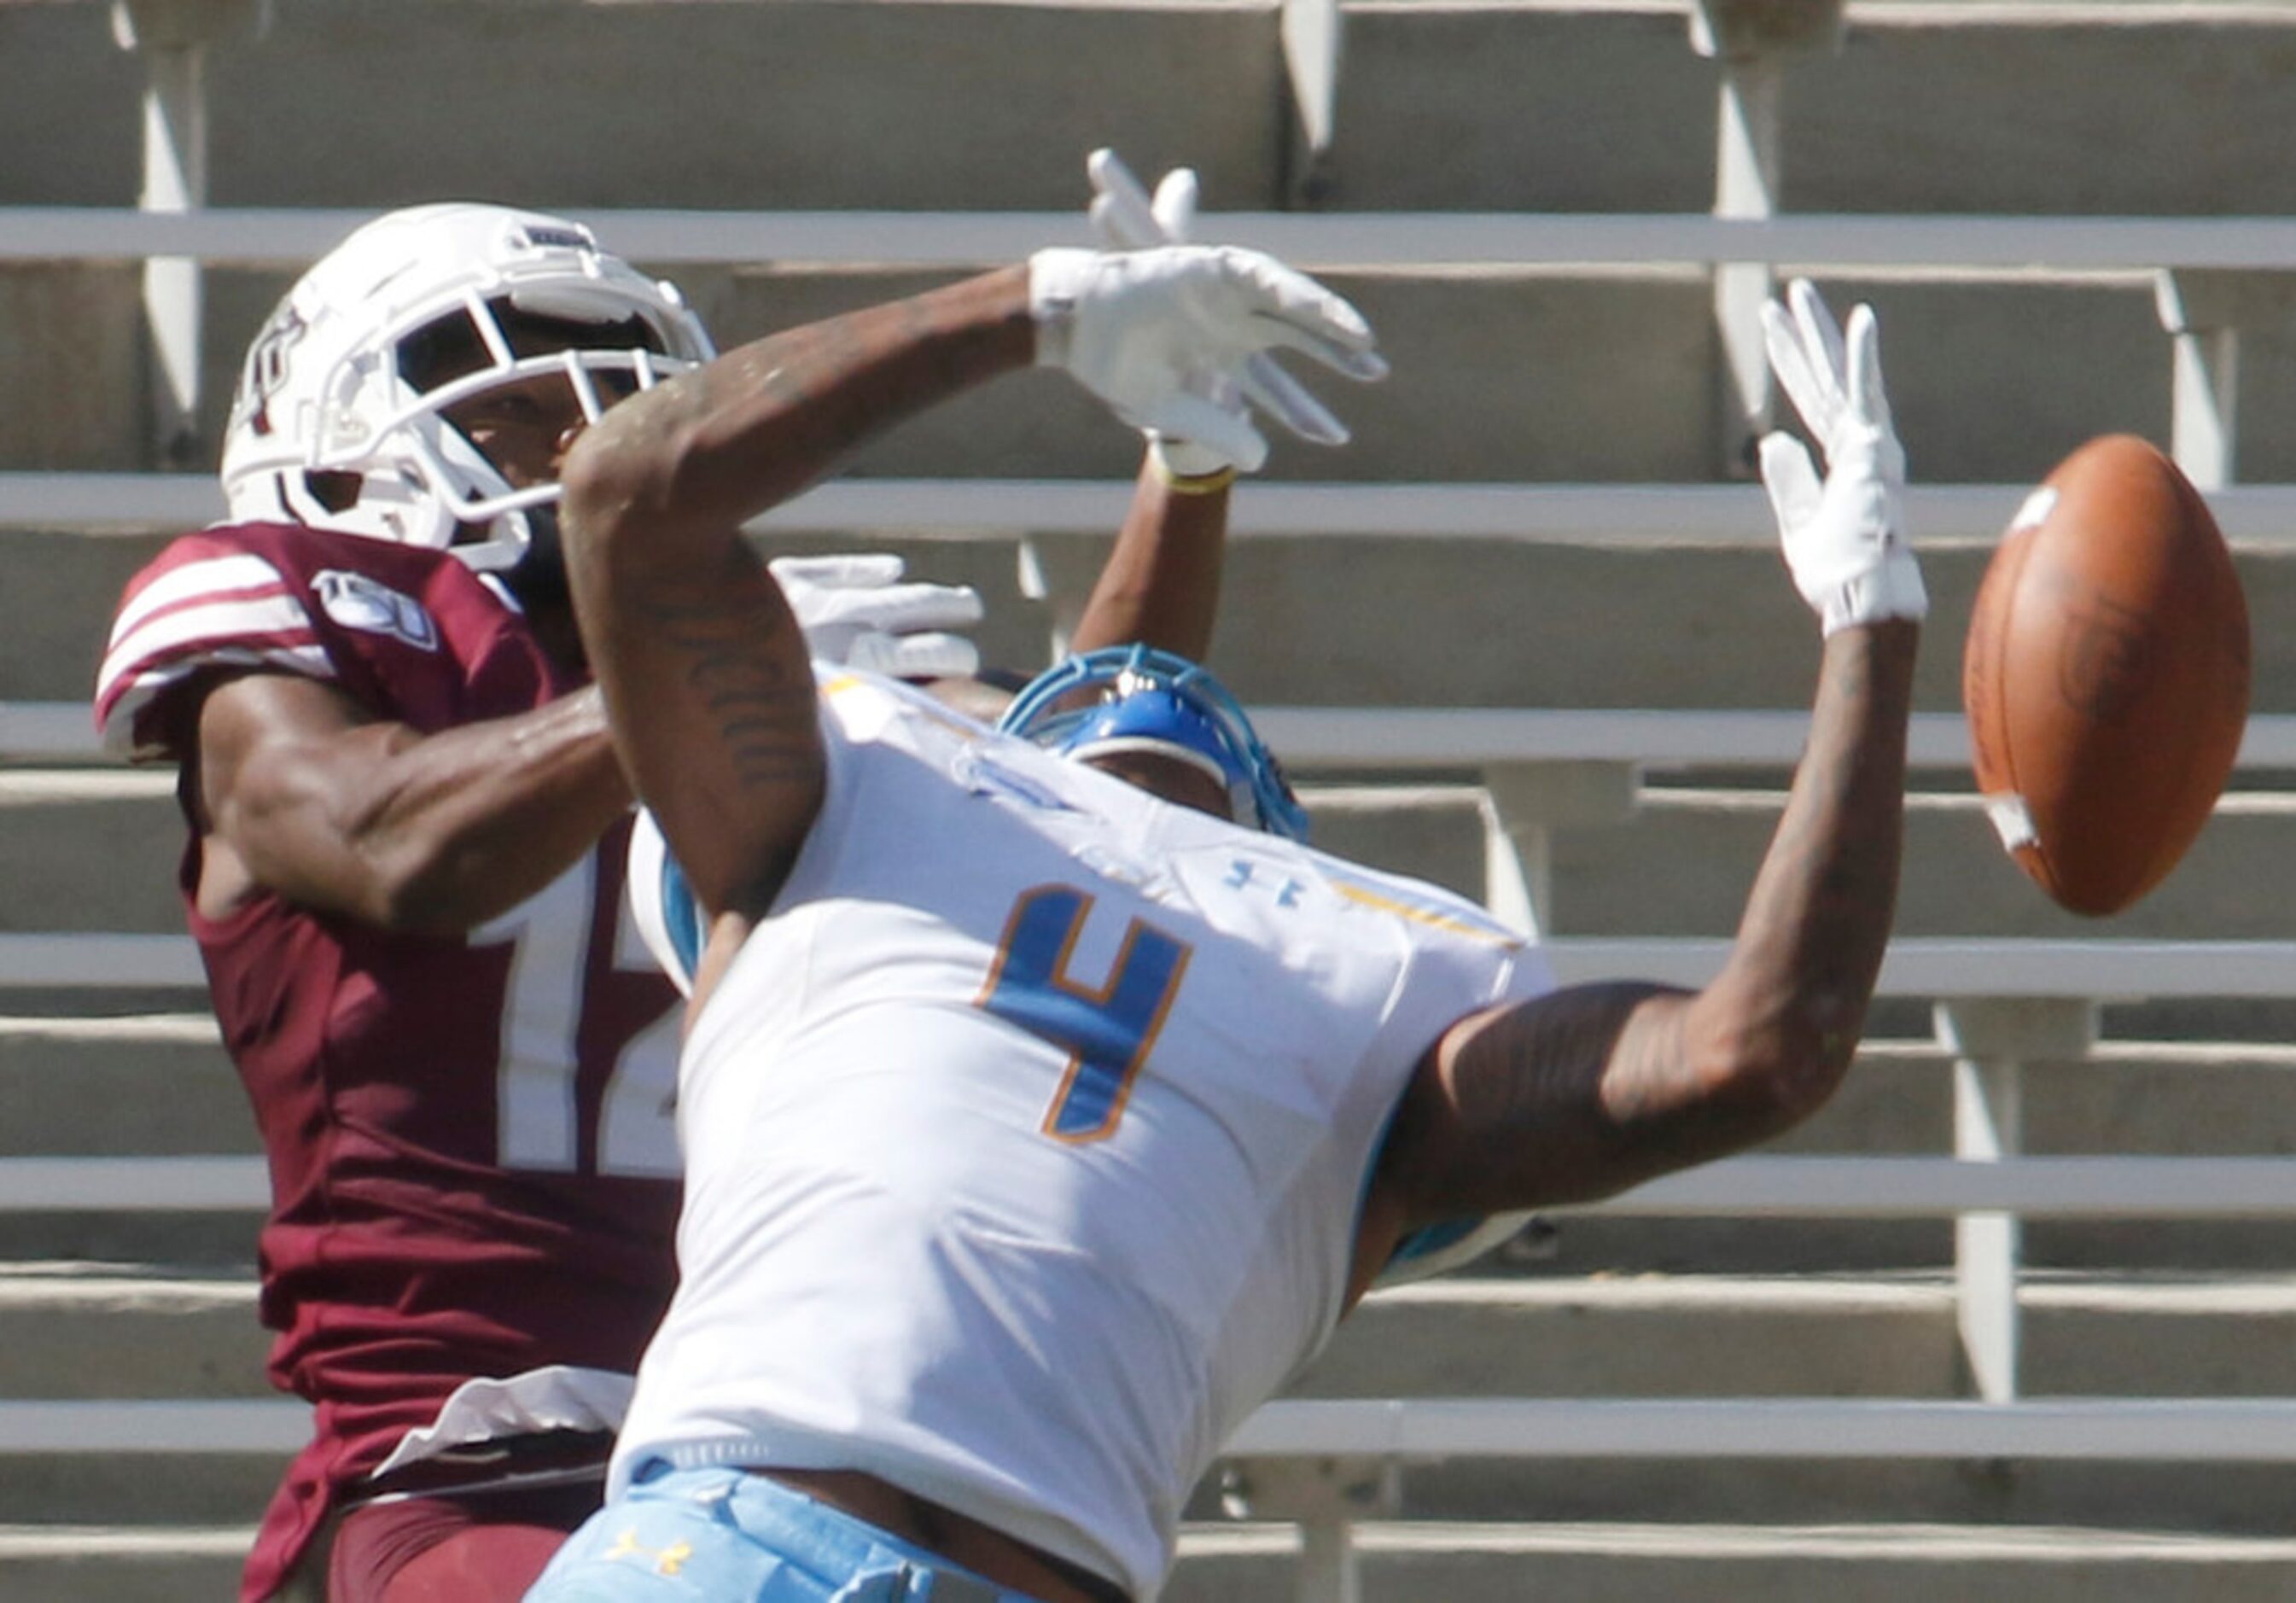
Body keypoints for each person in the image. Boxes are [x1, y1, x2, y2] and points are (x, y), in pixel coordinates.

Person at [513, 243, 1923, 1603]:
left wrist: (1870, 627)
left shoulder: (1341, 972)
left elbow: (1764, 1046)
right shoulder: (888, 804)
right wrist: (1049, 315)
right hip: (732, 1533)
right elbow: (628, 493)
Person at [88, 176, 1277, 1603]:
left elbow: (1082, 801)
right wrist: (687, 684)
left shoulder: (766, 663)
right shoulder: (305, 615)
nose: (578, 431)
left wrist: (1183, 467)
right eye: (510, 400)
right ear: (327, 439)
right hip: (477, 1452)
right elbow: (385, 841)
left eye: (617, 396)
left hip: (820, 1427)